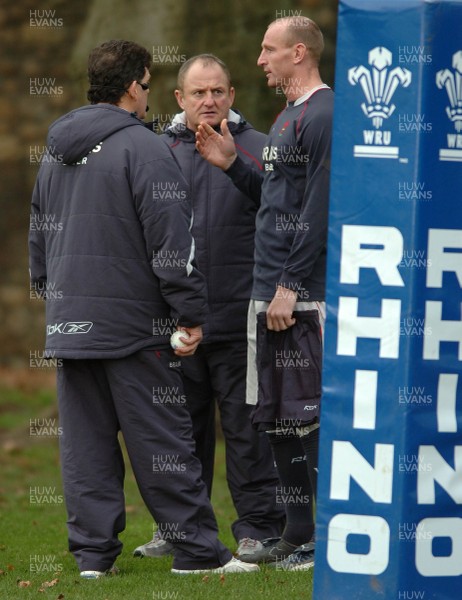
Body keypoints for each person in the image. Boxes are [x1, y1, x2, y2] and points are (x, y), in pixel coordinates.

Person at [28, 39, 258, 577]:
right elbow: (173, 246)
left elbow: (38, 238)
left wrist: (55, 296)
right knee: (164, 443)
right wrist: (191, 314)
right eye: (150, 85)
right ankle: (199, 555)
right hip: (134, 327)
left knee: (85, 448)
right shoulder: (146, 148)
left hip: (70, 323)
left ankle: (92, 559)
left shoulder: (55, 151)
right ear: (136, 85)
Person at [133, 54, 285, 560]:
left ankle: (259, 530)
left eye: (218, 91)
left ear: (232, 94)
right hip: (176, 323)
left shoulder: (262, 149)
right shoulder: (154, 154)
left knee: (247, 432)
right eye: (198, 93)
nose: (209, 101)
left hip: (243, 319)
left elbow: (288, 218)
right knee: (180, 433)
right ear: (179, 98)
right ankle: (178, 531)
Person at [195, 16, 334, 571]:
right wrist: (232, 167)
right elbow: (276, 201)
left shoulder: (325, 113)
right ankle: (295, 533)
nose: (260, 60)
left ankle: (324, 537)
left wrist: (290, 285)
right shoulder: (288, 116)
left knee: (310, 415)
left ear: (298, 53)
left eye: (268, 50)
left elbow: (317, 208)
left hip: (295, 294)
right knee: (275, 416)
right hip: (268, 290)